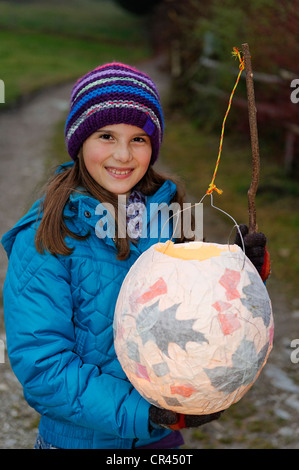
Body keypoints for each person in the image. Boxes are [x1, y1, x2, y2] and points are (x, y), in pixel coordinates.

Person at [1, 62, 270, 450]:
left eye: (139, 138)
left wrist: (240, 275)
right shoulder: (47, 237)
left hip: (161, 444)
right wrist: (142, 414)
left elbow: (198, 311)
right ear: (79, 142)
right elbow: (43, 369)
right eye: (106, 136)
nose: (123, 155)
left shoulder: (166, 218)